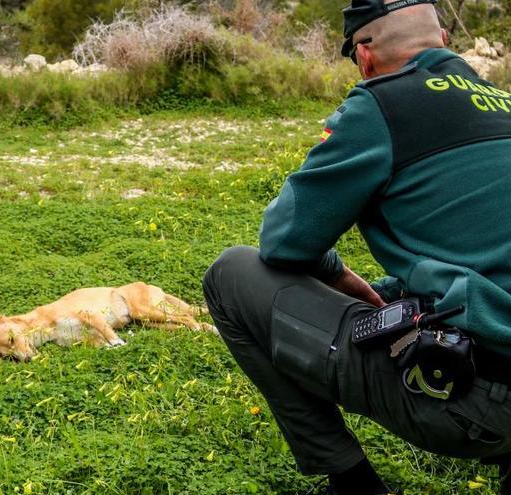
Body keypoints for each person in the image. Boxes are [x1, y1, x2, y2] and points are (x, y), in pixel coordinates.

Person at [201, 0, 511, 492]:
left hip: (482, 400)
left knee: (231, 275)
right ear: (444, 43)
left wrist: (337, 275)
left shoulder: (382, 104)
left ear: (364, 57)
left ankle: (350, 481)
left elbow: (284, 242)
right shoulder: (503, 103)